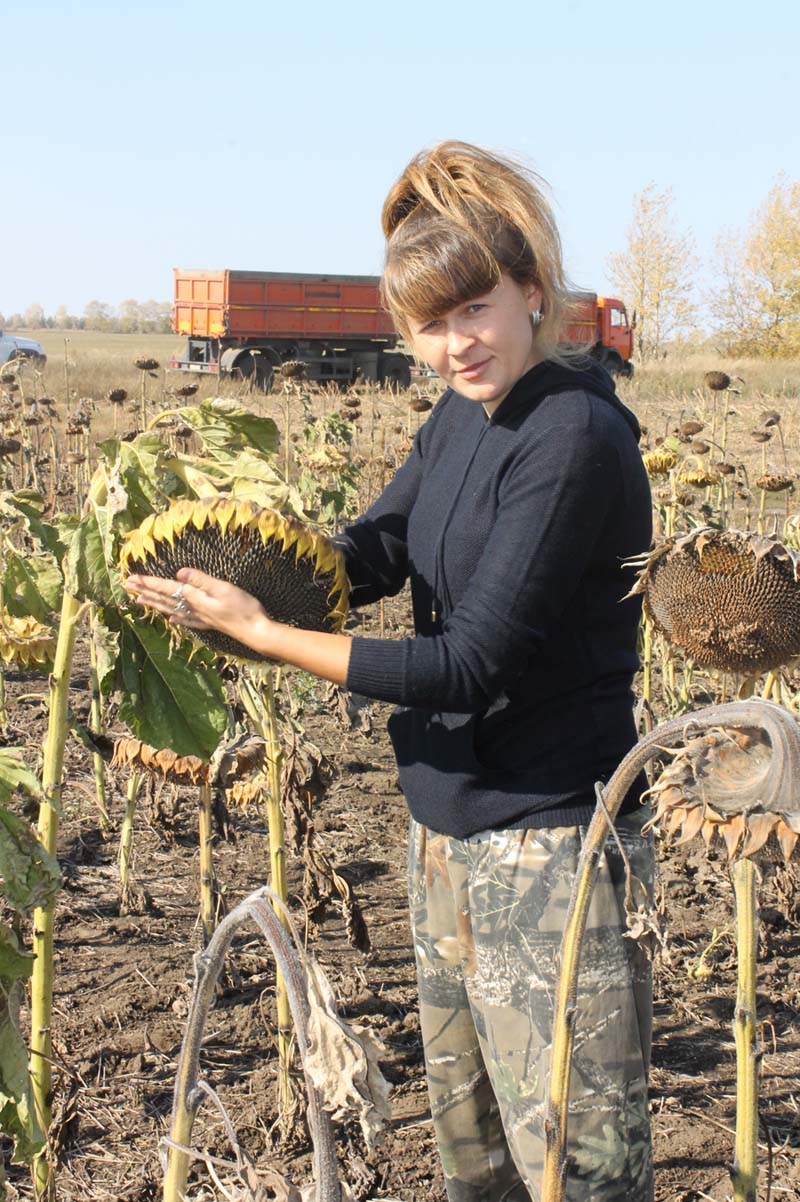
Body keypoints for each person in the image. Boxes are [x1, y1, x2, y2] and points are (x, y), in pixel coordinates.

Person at [125, 141, 654, 1202]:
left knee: (578, 1173)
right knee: (475, 1168)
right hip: (445, 837)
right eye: (426, 322)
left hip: (550, 843)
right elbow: (372, 550)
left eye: (473, 310)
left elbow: (467, 663)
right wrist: (234, 565)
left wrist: (267, 637)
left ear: (531, 295)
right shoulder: (460, 414)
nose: (451, 344)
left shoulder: (571, 434)